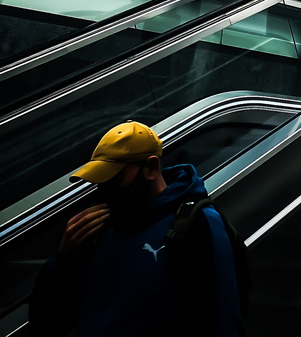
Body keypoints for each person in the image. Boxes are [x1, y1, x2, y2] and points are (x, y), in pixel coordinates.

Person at [29, 121, 244, 337]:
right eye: (101, 181)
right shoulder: (105, 225)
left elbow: (222, 320)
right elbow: (49, 320)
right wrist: (64, 260)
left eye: (115, 178)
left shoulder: (196, 223)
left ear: (150, 168)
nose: (106, 190)